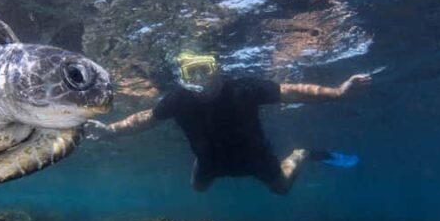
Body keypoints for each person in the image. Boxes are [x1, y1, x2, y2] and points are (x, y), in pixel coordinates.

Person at [87, 52, 372, 195]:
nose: (200, 79)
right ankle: (201, 162)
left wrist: (338, 92)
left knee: (282, 188)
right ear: (183, 76)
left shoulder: (244, 88)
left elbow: (293, 90)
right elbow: (145, 119)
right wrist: (110, 131)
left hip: (254, 156)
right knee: (197, 189)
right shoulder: (178, 99)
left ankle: (301, 153)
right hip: (211, 161)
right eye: (192, 72)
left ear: (218, 69)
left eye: (206, 70)